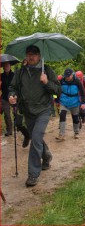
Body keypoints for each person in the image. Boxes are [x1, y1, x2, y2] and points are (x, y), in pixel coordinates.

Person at [8, 45, 61, 187]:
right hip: (28, 111)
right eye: (28, 54)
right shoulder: (20, 72)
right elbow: (13, 88)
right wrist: (12, 96)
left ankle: (33, 174)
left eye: (33, 54)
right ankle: (47, 156)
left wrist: (46, 82)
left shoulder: (47, 70)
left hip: (44, 110)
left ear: (39, 56)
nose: (30, 57)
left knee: (36, 138)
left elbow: (57, 90)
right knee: (36, 138)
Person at [56, 68, 85, 141]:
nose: (67, 78)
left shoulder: (77, 81)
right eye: (66, 76)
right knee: (62, 115)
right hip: (64, 101)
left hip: (74, 101)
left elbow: (82, 92)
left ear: (72, 75)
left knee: (75, 117)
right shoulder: (61, 81)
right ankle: (61, 135)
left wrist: (83, 103)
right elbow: (57, 91)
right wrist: (56, 101)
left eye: (69, 76)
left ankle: (76, 132)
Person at [1, 61, 14, 136]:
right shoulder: (1, 76)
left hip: (13, 97)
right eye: (5, 66)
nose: (6, 67)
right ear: (3, 67)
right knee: (7, 115)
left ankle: (19, 126)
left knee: (16, 113)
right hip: (5, 98)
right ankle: (9, 130)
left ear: (10, 66)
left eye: (7, 66)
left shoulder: (14, 75)